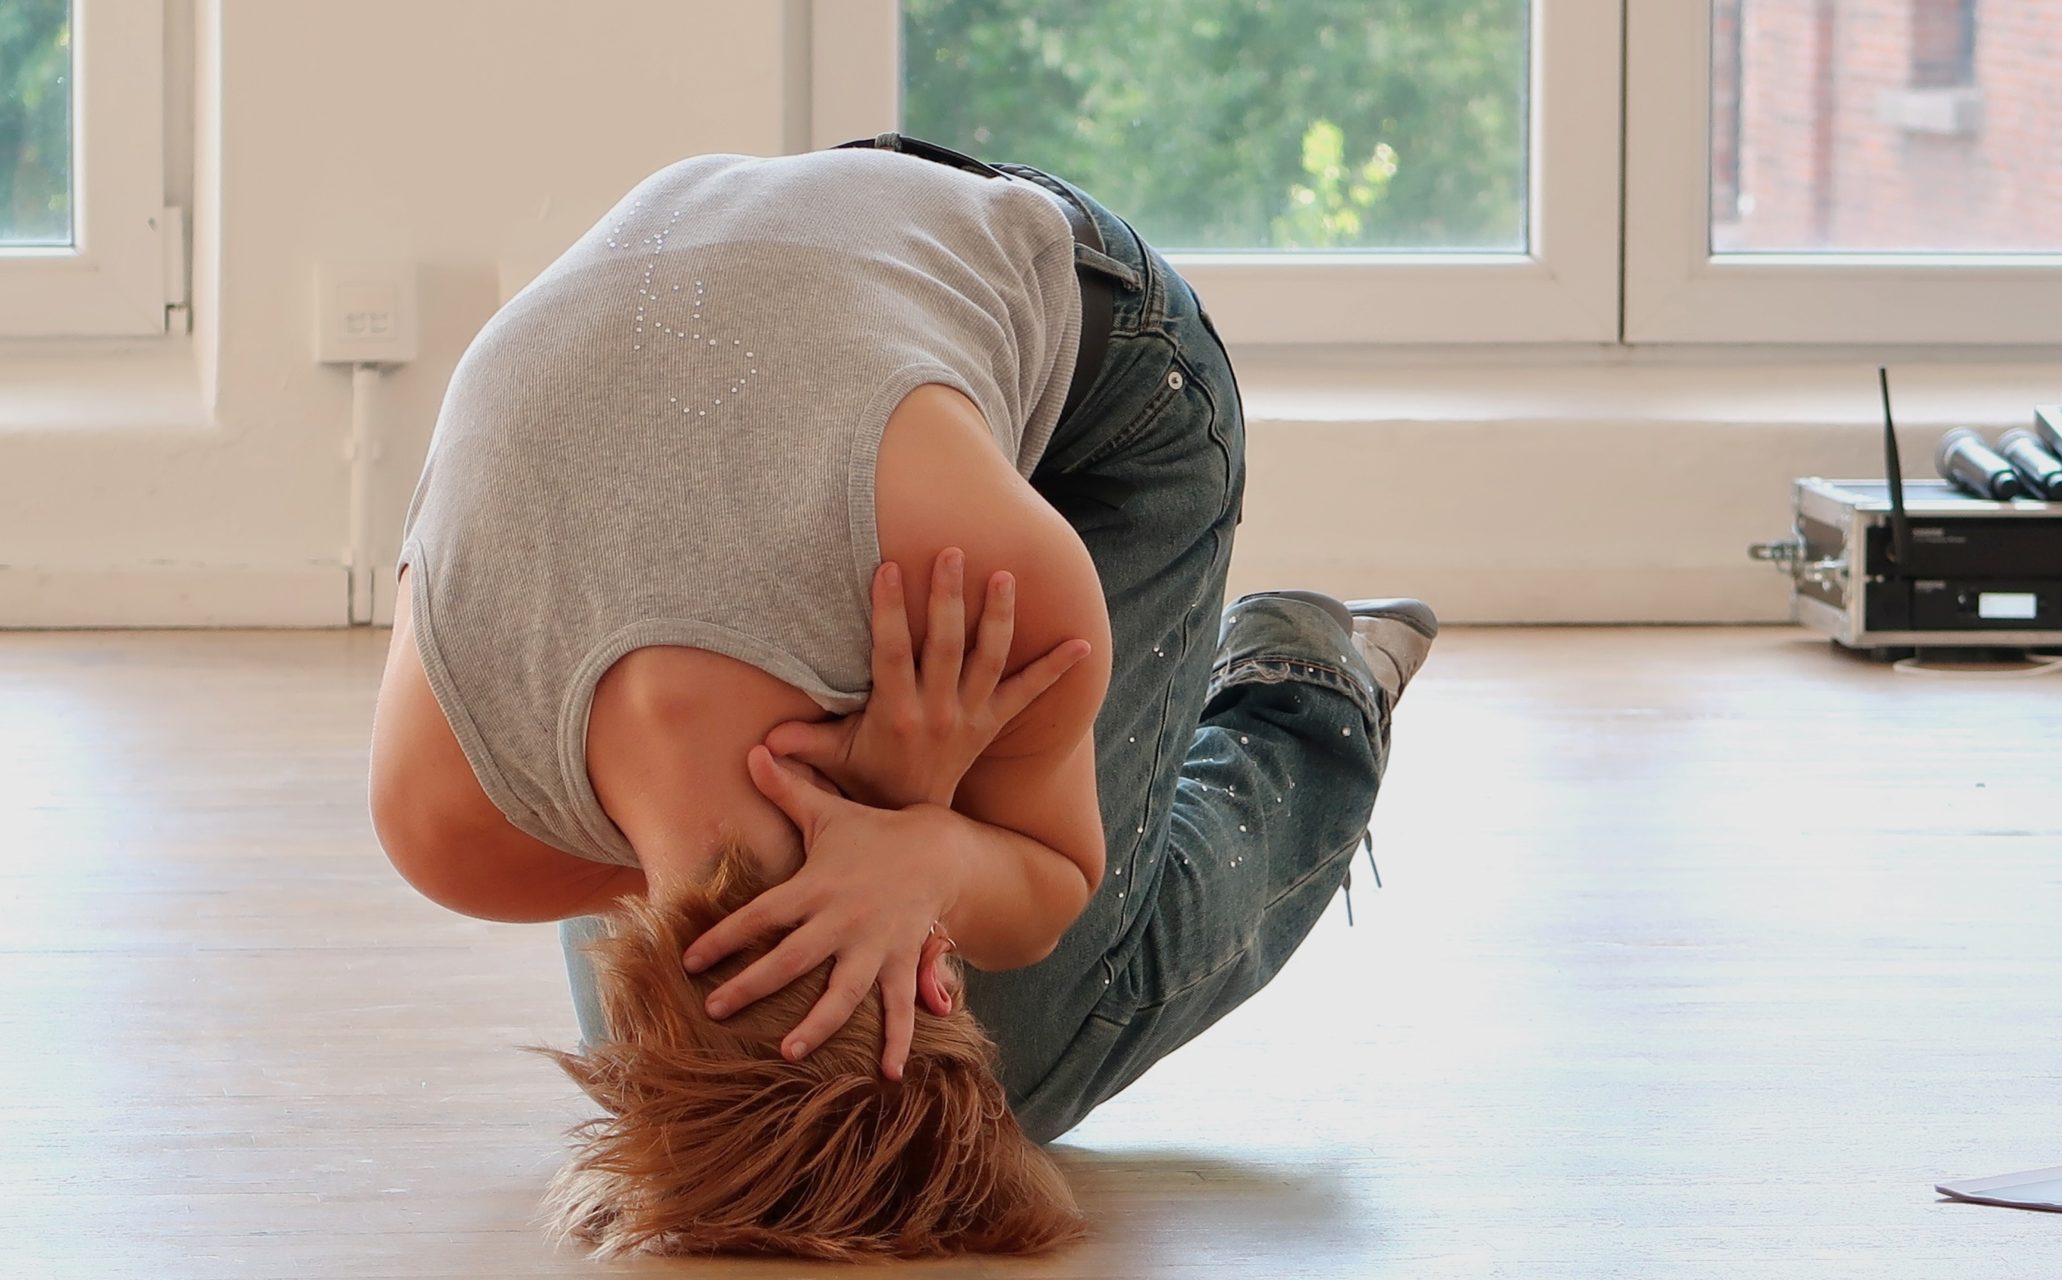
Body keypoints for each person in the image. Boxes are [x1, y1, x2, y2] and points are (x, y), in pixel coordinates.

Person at [365, 135, 1439, 1254]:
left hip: (1084, 352)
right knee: (756, 1103)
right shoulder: (448, 821)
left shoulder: (978, 589)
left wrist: (928, 842)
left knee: (1029, 1063)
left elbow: (1054, 874)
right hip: (801, 288)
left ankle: (1305, 689)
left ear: (936, 972)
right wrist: (902, 811)